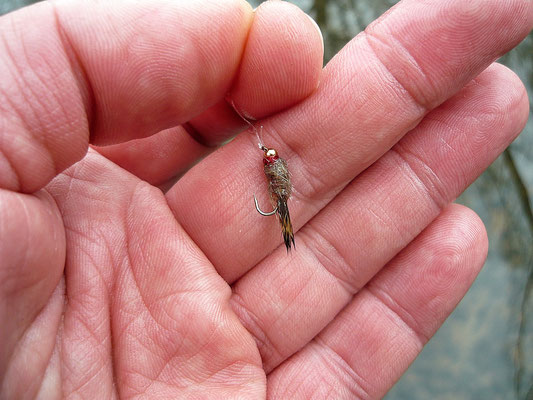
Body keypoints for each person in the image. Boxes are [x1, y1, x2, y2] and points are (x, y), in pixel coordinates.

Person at [1, 0, 531, 398]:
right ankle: (287, 233)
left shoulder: (276, 175)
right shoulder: (273, 172)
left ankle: (287, 233)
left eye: (270, 158)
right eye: (269, 158)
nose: (270, 158)